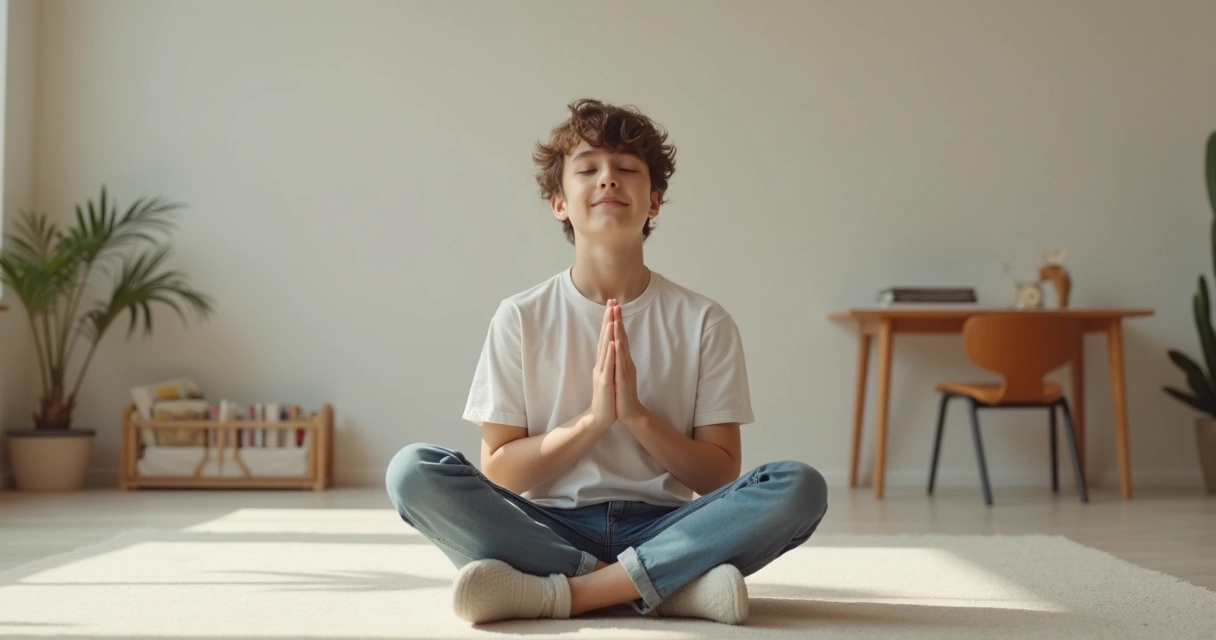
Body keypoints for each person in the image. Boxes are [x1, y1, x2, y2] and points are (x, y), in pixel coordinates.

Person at [385, 98, 828, 626]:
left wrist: (636, 416)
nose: (608, 180)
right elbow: (501, 469)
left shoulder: (705, 320)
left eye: (627, 170)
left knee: (800, 486)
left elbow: (717, 475)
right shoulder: (519, 317)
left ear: (655, 201)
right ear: (559, 203)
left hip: (669, 525)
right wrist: (593, 420)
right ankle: (668, 586)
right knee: (412, 470)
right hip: (549, 525)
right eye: (589, 168)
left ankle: (564, 592)